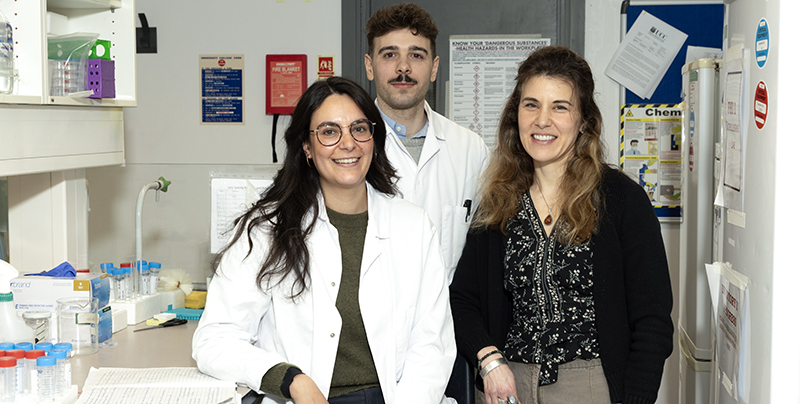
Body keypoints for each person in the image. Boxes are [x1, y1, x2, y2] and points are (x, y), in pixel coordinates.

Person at [193, 77, 456, 404]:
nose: (348, 144)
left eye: (359, 128)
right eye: (330, 132)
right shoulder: (268, 229)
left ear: (374, 139)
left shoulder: (413, 227)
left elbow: (431, 346)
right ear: (306, 147)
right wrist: (290, 379)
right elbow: (214, 339)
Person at [450, 46, 673, 404]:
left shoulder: (621, 200)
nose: (542, 120)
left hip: (590, 385)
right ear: (516, 115)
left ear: (584, 120)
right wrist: (488, 359)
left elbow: (653, 322)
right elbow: (463, 299)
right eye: (531, 104)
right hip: (508, 387)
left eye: (560, 107)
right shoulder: (498, 204)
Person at [364, 3, 489, 283]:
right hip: (370, 322)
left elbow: (484, 255)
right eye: (390, 54)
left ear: (434, 68)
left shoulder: (470, 149)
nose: (403, 67)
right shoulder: (348, 148)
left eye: (416, 55)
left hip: (447, 321)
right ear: (370, 66)